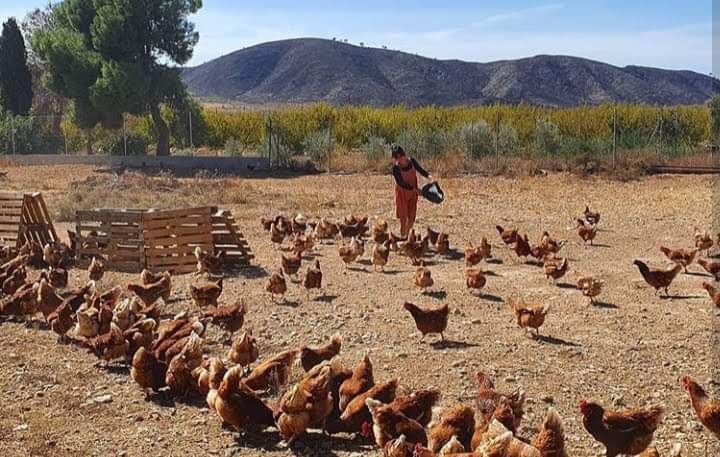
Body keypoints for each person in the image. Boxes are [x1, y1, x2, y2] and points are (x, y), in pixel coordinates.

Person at [391, 144, 434, 238]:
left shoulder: (412, 161)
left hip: (413, 194)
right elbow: (401, 183)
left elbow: (421, 170)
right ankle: (403, 238)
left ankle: (407, 236)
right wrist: (415, 189)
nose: (400, 160)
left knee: (411, 217)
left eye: (401, 157)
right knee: (403, 219)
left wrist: (430, 177)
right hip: (402, 194)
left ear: (404, 155)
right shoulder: (395, 168)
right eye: (397, 158)